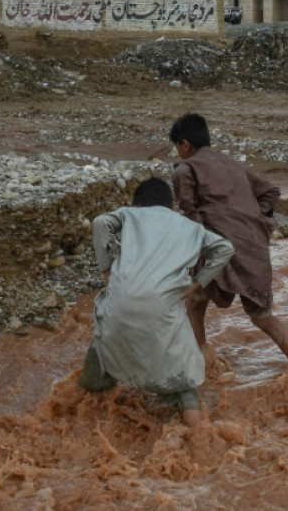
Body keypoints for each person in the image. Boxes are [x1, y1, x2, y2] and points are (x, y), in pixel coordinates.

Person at [78, 177, 234, 427]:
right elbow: (225, 248)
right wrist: (199, 282)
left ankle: (81, 415)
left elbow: (100, 222)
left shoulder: (130, 215)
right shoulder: (190, 227)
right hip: (164, 304)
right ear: (170, 205)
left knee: (103, 346)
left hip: (120, 299)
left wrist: (107, 269)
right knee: (183, 381)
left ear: (138, 204)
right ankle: (198, 438)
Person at [169, 113, 288, 369]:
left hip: (217, 247)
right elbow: (271, 192)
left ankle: (202, 363)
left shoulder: (184, 170)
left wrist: (201, 247)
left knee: (195, 301)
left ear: (185, 144)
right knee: (262, 316)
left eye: (177, 147)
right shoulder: (232, 164)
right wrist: (256, 220)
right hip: (254, 247)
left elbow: (191, 217)